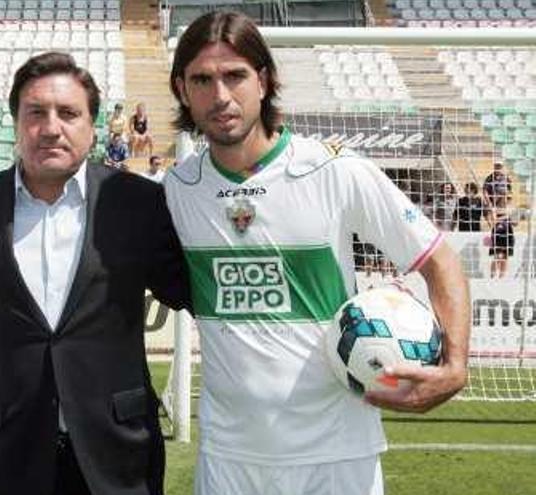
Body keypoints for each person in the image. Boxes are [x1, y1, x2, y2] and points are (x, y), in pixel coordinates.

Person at [164, 12, 470, 495]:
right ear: (182, 89)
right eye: (202, 79)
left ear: (263, 81)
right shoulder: (179, 189)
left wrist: (454, 366)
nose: (220, 95)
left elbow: (440, 260)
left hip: (337, 453)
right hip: (229, 456)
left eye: (235, 75)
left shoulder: (334, 171)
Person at [0, 51, 190, 495]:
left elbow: (200, 295)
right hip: (13, 451)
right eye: (35, 113)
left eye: (68, 113)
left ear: (93, 125)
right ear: (15, 122)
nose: (51, 128)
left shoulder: (139, 203)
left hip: (121, 453)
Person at [487, 194, 515, 279]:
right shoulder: (494, 209)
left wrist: (513, 218)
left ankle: (501, 277)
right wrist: (507, 216)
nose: (507, 200)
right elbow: (494, 220)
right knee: (497, 256)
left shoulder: (511, 209)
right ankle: (492, 276)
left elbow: (515, 223)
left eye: (509, 198)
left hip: (508, 234)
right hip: (498, 235)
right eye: (506, 198)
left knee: (505, 257)